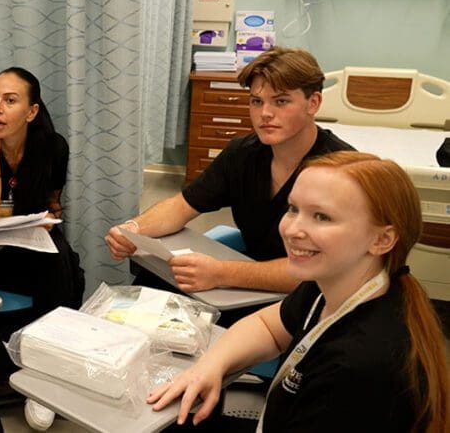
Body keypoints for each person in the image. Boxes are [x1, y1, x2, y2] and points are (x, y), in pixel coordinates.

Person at [147, 151, 449, 432]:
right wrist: (209, 366)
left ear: (382, 240)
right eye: (293, 209)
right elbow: (268, 326)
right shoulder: (333, 286)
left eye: (322, 217)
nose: (291, 229)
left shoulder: (360, 367)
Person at [106, 47, 354, 323]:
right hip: (251, 279)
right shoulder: (244, 153)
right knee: (151, 287)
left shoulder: (340, 172)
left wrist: (221, 273)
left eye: (281, 102)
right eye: (256, 102)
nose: (265, 114)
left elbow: (320, 270)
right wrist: (134, 230)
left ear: (313, 103)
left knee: (187, 326)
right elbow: (181, 206)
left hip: (313, 297)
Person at [0, 67, 85, 431]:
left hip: (30, 240)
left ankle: (44, 381)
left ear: (31, 111)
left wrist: (47, 220)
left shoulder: (53, 146)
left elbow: (53, 203)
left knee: (61, 263)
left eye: (10, 100)